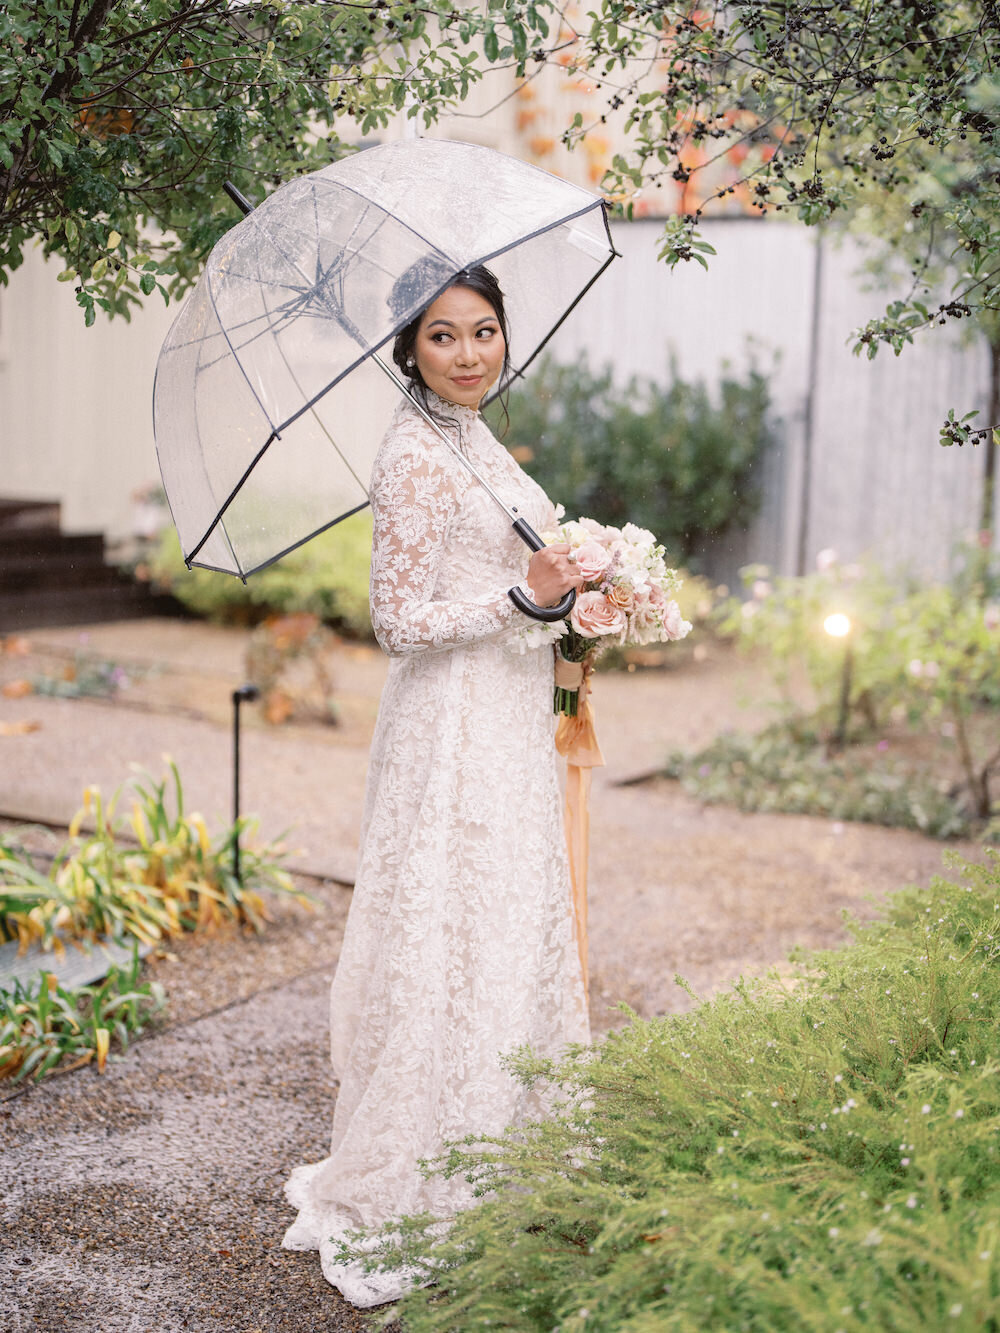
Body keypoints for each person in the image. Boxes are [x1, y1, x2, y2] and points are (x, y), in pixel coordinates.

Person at [280, 265, 590, 1308]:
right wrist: (522, 595)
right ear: (408, 347)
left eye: (485, 331)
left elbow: (521, 578)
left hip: (503, 715)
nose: (470, 354)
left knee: (501, 920)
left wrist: (577, 600)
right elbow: (399, 623)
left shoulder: (474, 437)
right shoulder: (412, 454)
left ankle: (505, 1137)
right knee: (443, 926)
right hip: (448, 724)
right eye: (445, 337)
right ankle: (419, 1166)